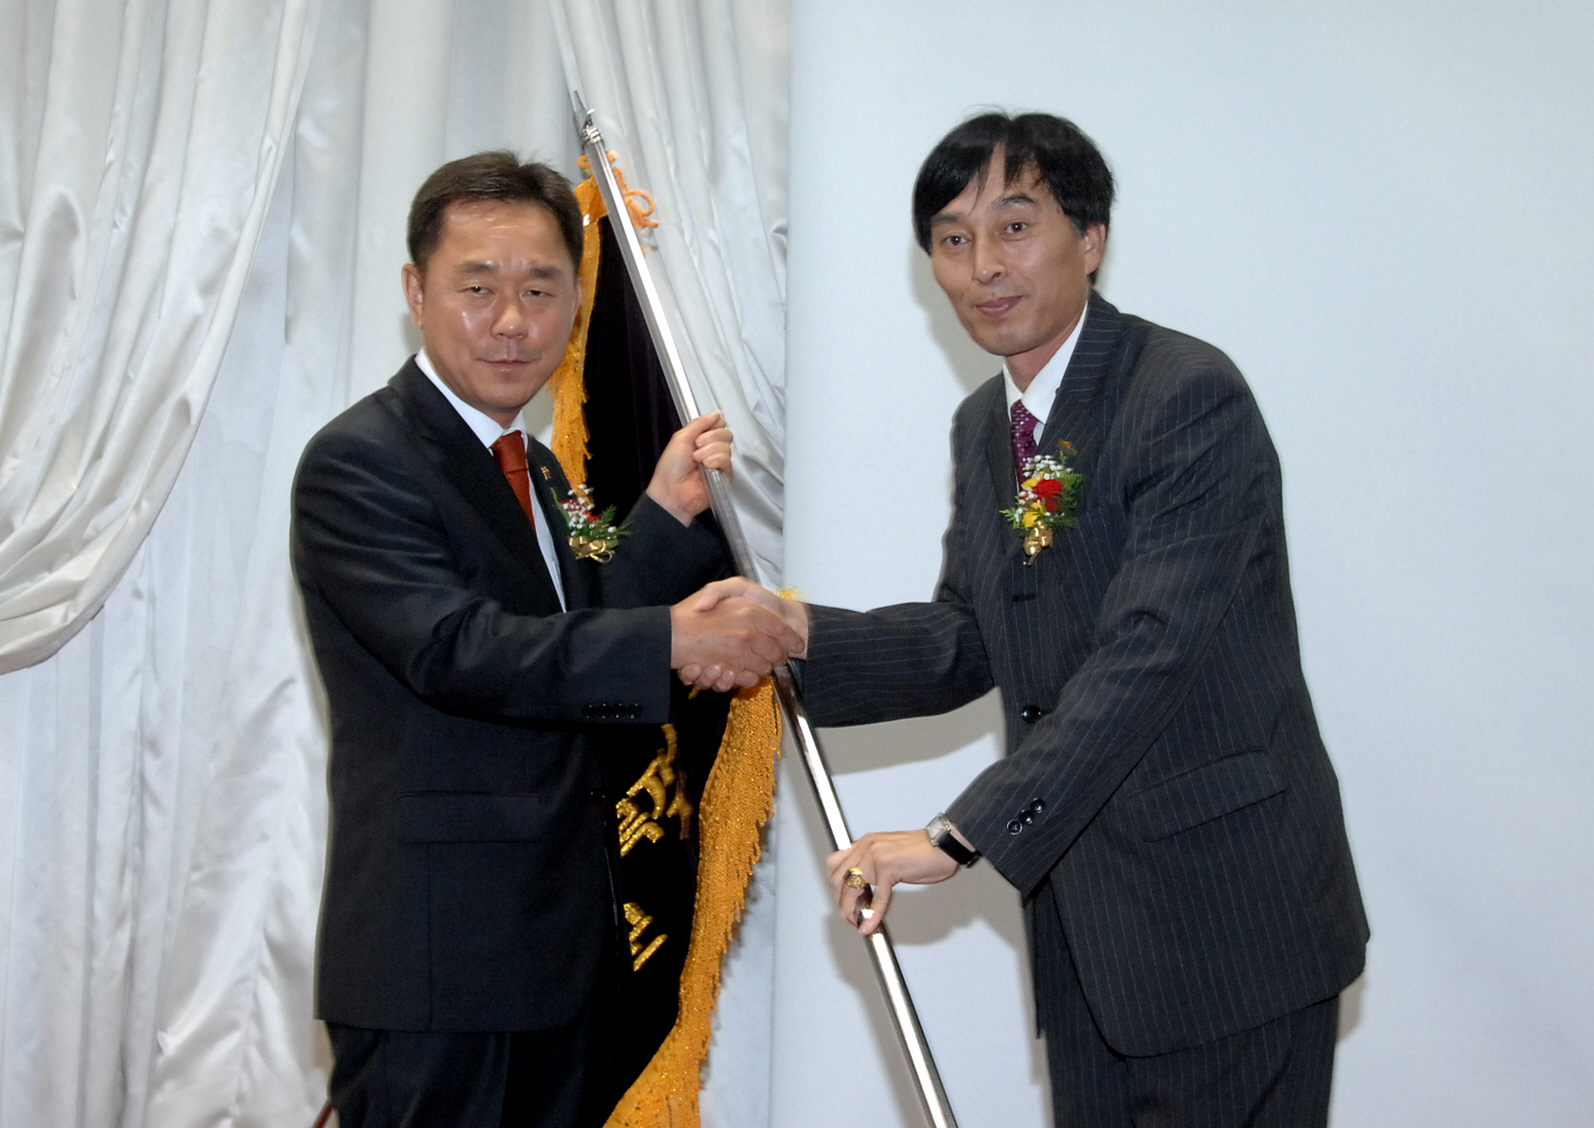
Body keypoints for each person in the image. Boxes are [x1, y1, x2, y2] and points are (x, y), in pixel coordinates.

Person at [695, 112, 1368, 1125]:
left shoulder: (1186, 396)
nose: (982, 266)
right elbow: (969, 637)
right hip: (1088, 931)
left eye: (1015, 227)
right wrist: (796, 636)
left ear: (1090, 240)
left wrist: (958, 835)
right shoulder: (987, 426)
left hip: (1227, 924)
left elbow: (1146, 658)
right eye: (952, 239)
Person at [290, 151, 801, 1128]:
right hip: (438, 971)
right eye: (477, 287)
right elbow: (457, 648)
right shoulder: (359, 461)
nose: (512, 320)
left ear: (574, 299)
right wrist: (671, 640)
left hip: (565, 958)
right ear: (416, 292)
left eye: (539, 288)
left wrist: (662, 512)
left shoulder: (541, 469)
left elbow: (573, 624)